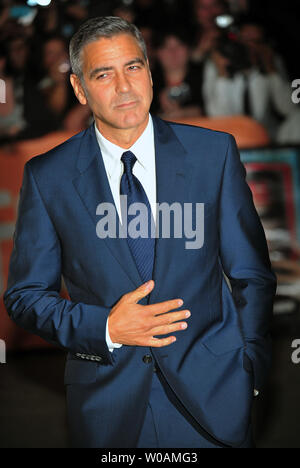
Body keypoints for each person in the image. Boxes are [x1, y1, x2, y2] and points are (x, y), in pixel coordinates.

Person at [4, 16, 277, 448]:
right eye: (103, 74)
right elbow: (24, 298)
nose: (124, 87)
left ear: (150, 72)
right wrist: (107, 326)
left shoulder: (213, 154)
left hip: (214, 398)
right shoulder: (48, 177)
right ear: (79, 88)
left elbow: (252, 274)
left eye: (133, 67)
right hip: (108, 408)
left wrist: (251, 368)